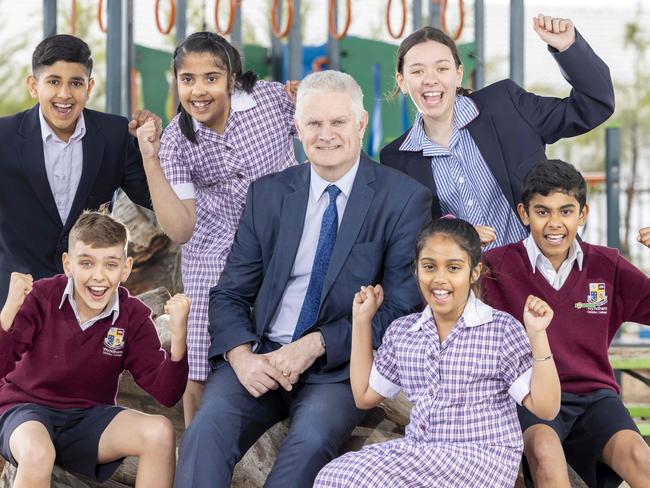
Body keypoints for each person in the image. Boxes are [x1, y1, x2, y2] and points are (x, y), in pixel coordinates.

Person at [172, 70, 432, 488]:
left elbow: (402, 310)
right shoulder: (268, 194)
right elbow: (229, 293)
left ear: (360, 124)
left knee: (307, 445)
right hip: (262, 356)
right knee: (204, 433)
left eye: (338, 122)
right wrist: (241, 357)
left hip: (339, 369)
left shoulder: (402, 199)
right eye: (313, 123)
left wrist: (315, 345)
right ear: (296, 128)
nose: (325, 134)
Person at [314, 216, 560, 488]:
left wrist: (538, 335)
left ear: (474, 271)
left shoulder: (500, 329)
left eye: (453, 268)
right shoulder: (403, 332)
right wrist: (361, 321)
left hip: (482, 458)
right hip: (422, 453)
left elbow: (546, 408)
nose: (439, 279)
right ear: (416, 270)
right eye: (429, 266)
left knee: (351, 477)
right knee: (333, 475)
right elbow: (364, 395)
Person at [135, 31, 297, 424]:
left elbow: (324, 134)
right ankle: (196, 451)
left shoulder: (272, 100)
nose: (198, 90)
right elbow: (181, 230)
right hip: (215, 249)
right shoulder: (175, 140)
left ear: (231, 78)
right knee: (201, 358)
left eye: (210, 77)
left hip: (284, 239)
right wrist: (150, 161)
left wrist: (306, 98)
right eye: (187, 79)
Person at [380, 14, 614, 249]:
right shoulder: (396, 159)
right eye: (418, 71)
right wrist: (457, 233)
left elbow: (593, 105)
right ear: (402, 81)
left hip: (544, 274)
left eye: (442, 68)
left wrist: (568, 46)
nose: (430, 80)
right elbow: (411, 239)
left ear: (458, 73)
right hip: (468, 284)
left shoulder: (506, 106)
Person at [483, 160, 650, 488]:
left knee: (641, 458)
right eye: (542, 211)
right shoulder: (494, 267)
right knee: (546, 452)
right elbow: (439, 306)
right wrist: (460, 248)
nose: (554, 223)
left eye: (566, 211)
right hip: (529, 397)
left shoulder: (608, 265)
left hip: (595, 396)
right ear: (523, 213)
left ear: (582, 214)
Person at [0, 211, 189, 488]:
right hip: (25, 411)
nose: (98, 276)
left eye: (110, 264)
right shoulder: (42, 296)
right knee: (38, 453)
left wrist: (180, 336)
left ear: (125, 268)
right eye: (86, 263)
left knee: (160, 431)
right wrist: (8, 313)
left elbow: (167, 393)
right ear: (68, 264)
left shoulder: (133, 315)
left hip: (87, 419)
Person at [0, 34, 157, 305]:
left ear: (89, 86)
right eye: (53, 82)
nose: (64, 94)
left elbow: (155, 198)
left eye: (75, 83)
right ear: (33, 85)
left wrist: (153, 153)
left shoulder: (114, 135)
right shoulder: (4, 136)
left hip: (88, 300)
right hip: (16, 300)